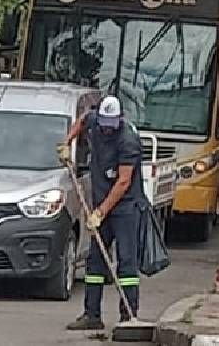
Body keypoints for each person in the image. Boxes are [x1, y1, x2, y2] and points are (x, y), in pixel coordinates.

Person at [57, 95, 147, 331]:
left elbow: (123, 182)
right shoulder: (94, 120)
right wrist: (67, 142)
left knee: (126, 263)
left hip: (125, 208)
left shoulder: (128, 141)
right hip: (100, 204)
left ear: (119, 119)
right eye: (103, 125)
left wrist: (101, 212)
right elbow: (81, 122)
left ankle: (128, 316)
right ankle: (92, 315)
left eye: (111, 126)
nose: (106, 130)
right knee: (95, 261)